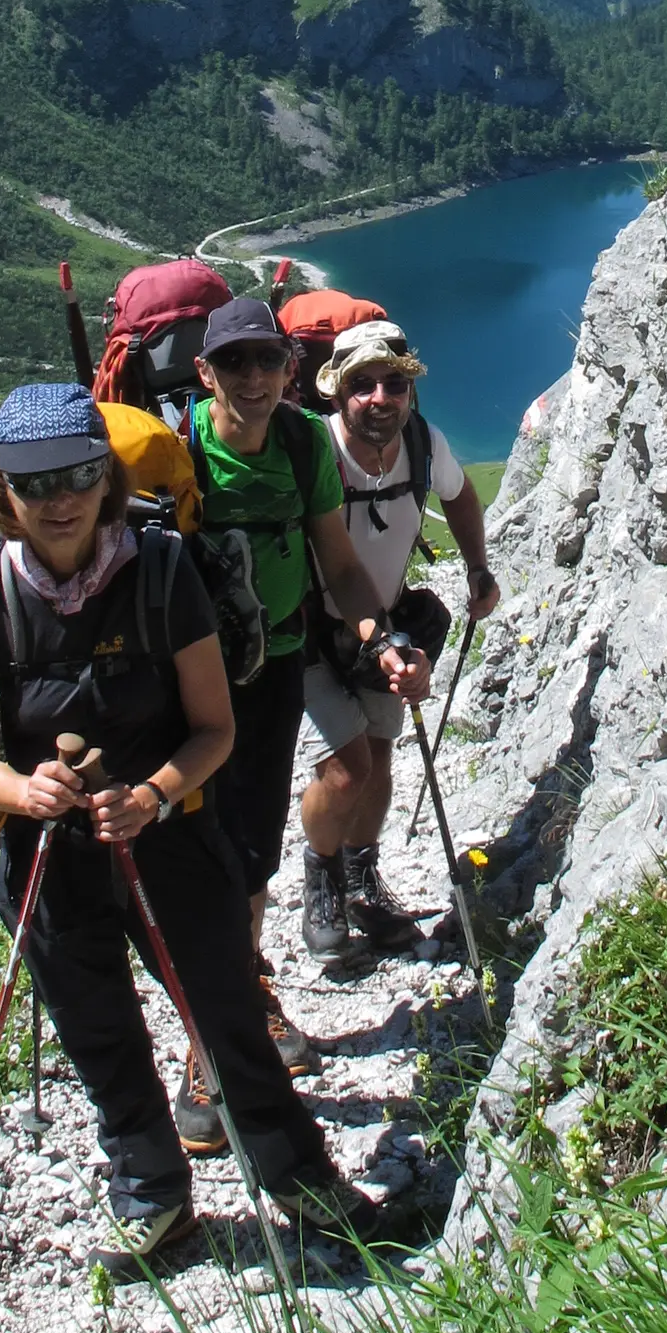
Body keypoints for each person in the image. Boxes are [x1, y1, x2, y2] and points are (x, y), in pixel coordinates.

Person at [0, 382, 371, 1261]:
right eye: (35, 481)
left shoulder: (164, 570)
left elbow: (217, 728)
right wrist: (26, 793)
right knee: (98, 1029)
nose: (58, 499)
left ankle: (301, 1182)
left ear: (105, 479)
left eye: (79, 474)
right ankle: (153, 1197)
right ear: (3, 491)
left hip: (169, 837)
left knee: (224, 1013)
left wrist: (154, 794)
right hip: (52, 853)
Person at [179, 298, 388, 1144]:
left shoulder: (304, 446)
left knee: (254, 853)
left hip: (272, 674)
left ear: (289, 369)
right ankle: (207, 1041)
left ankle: (246, 994)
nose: (255, 378)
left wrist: (380, 638)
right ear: (206, 373)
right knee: (198, 859)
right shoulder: (176, 453)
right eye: (236, 365)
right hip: (184, 691)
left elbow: (337, 560)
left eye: (267, 361)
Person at [300, 318, 501, 960]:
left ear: (410, 394)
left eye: (394, 384)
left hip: (382, 623)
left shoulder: (424, 444)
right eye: (363, 385)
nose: (380, 398)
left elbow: (463, 497)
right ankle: (323, 881)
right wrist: (387, 642)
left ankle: (361, 878)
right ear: (338, 392)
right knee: (346, 767)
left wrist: (477, 566)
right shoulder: (316, 453)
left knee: (380, 759)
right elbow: (337, 567)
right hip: (312, 632)